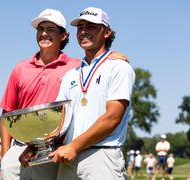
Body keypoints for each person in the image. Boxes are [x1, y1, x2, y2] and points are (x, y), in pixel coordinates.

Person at [0, 8, 127, 180]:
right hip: (31, 148)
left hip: (69, 151)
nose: (44, 34)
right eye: (40, 29)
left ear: (64, 36)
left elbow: (112, 116)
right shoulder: (25, 68)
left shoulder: (75, 67)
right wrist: (8, 154)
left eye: (51, 29)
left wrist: (115, 56)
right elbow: (8, 112)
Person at [48, 7, 135, 179]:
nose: (84, 32)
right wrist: (35, 146)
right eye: (80, 27)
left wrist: (74, 146)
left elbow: (112, 118)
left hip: (102, 157)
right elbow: (57, 118)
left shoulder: (119, 67)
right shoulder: (71, 75)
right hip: (68, 158)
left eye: (91, 26)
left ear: (107, 32)